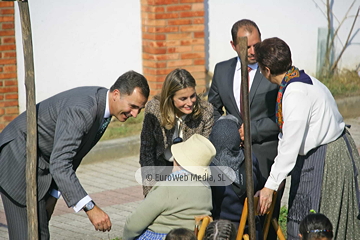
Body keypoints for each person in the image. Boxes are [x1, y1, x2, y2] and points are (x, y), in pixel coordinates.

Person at [0, 70, 149, 239]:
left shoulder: (103, 105)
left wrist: (53, 194)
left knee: (39, 232)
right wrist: (90, 207)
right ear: (116, 94)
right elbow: (61, 163)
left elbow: (72, 156)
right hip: (16, 158)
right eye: (133, 106)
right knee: (28, 234)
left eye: (140, 109)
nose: (135, 114)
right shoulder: (83, 110)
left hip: (41, 161)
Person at [255, 37, 360, 240]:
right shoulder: (297, 78)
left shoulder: (295, 92)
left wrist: (270, 186)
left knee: (315, 223)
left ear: (266, 70)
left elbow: (289, 145)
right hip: (325, 150)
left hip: (328, 159)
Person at [208, 19, 279, 179]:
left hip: (265, 155)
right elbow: (212, 110)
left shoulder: (273, 71)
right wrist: (228, 133)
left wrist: (252, 130)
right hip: (230, 157)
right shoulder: (222, 70)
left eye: (257, 45)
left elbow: (284, 114)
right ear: (233, 45)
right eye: (247, 47)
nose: (253, 51)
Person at [123, 134, 215, 240]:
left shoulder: (167, 188)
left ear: (178, 160)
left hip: (165, 236)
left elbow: (133, 224)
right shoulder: (206, 187)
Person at [140, 68, 214, 196]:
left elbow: (203, 158)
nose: (189, 102)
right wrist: (151, 190)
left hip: (192, 174)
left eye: (192, 96)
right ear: (170, 98)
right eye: (183, 98)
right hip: (162, 169)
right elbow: (146, 152)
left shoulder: (205, 112)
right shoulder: (154, 110)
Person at [209, 115, 265, 233]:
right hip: (252, 230)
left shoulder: (210, 168)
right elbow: (261, 185)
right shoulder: (250, 159)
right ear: (237, 140)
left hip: (221, 232)